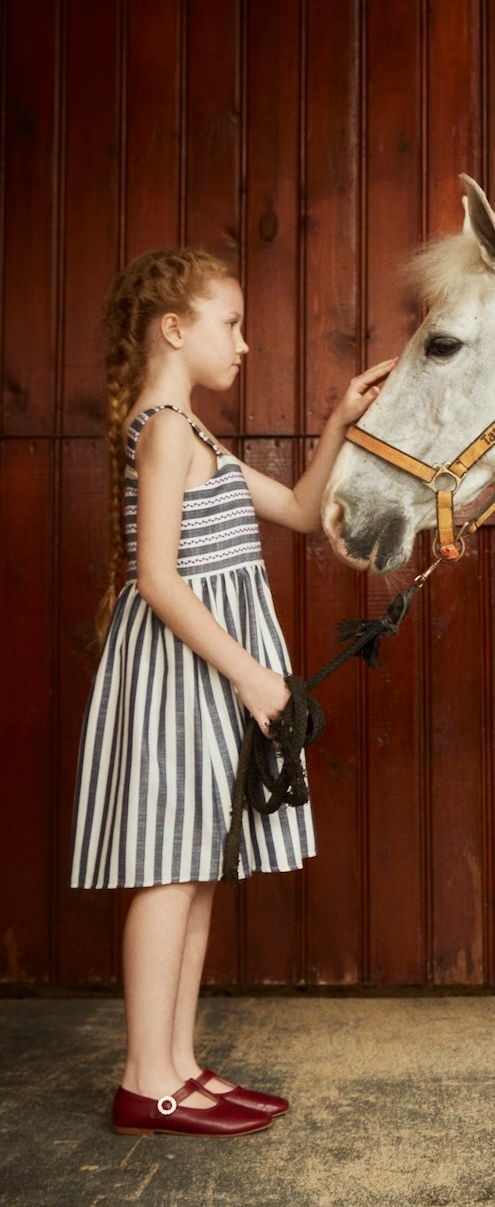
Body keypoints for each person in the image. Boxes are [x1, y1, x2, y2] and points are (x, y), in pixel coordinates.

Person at [70, 247, 394, 1138]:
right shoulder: (165, 428)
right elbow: (159, 579)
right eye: (232, 324)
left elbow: (295, 508)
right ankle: (147, 1080)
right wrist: (253, 673)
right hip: (187, 671)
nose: (245, 344)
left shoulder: (193, 429)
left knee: (197, 868)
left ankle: (178, 1066)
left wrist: (339, 423)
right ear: (175, 330)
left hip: (209, 675)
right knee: (167, 873)